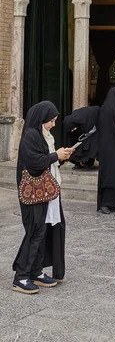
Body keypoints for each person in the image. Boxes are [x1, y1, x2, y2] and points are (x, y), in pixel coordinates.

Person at [12, 101, 73, 294]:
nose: (53, 125)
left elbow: (46, 161)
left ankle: (36, 271)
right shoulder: (31, 136)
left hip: (47, 192)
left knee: (44, 230)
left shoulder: (44, 136)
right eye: (51, 121)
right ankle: (21, 276)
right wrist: (56, 155)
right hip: (34, 194)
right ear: (42, 119)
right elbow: (35, 162)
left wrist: (60, 157)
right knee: (35, 231)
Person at [63, 106, 100, 170]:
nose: (72, 130)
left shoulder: (84, 119)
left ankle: (87, 163)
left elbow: (87, 136)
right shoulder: (73, 121)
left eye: (72, 129)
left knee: (90, 143)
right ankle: (78, 162)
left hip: (95, 123)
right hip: (86, 128)